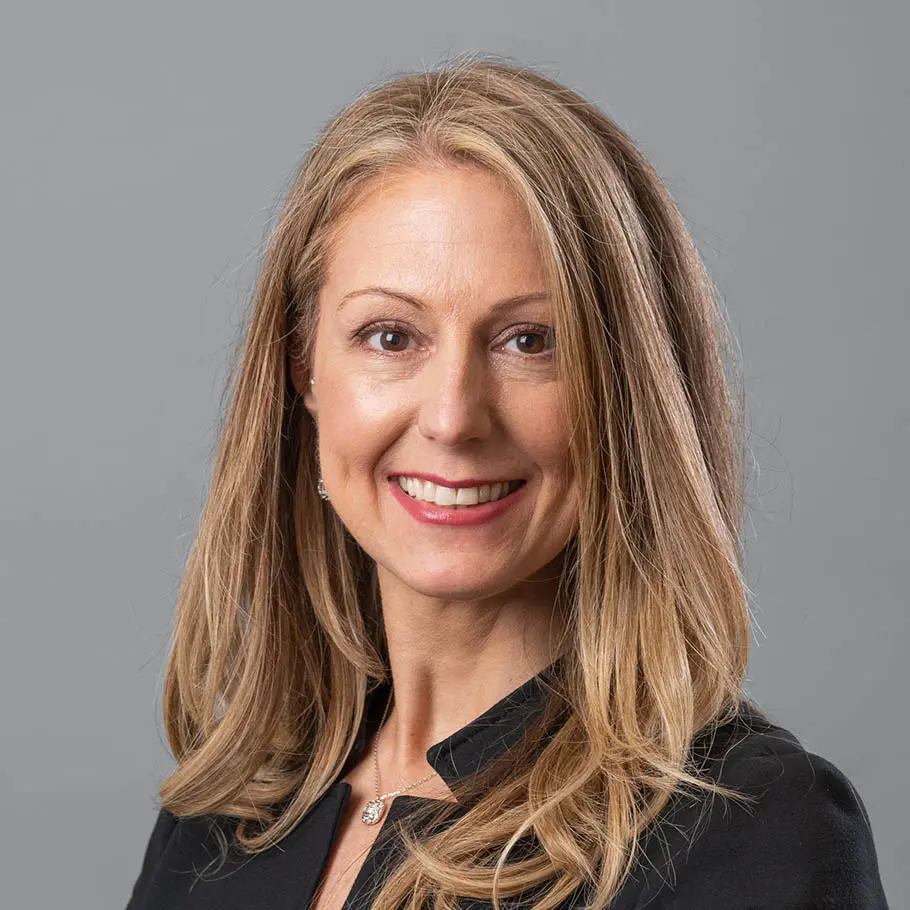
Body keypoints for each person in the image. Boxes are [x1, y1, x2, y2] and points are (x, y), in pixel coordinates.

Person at [125, 55, 889, 910]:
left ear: (626, 395)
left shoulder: (748, 832)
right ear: (304, 371)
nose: (454, 417)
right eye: (390, 336)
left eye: (529, 341)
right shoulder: (223, 821)